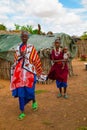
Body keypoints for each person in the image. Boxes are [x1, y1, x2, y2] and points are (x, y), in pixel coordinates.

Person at [10, 31, 43, 120]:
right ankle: (22, 111)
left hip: (29, 73)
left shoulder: (31, 48)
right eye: (23, 36)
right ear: (21, 37)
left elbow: (35, 59)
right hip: (19, 73)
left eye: (26, 36)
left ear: (28, 37)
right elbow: (16, 59)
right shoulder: (17, 48)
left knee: (30, 90)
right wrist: (21, 56)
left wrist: (26, 57)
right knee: (21, 92)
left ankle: (34, 101)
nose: (24, 38)